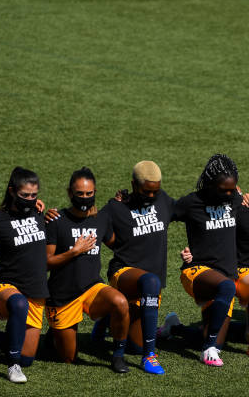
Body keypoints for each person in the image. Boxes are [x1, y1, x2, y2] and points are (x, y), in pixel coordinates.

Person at [178, 170, 249, 360]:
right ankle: (179, 329)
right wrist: (194, 252)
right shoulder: (241, 207)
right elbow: (217, 232)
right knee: (216, 340)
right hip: (236, 271)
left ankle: (177, 327)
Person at [44, 167, 131, 373]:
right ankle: (51, 334)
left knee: (120, 302)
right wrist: (74, 252)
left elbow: (119, 244)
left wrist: (126, 209)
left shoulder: (100, 219)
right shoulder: (56, 220)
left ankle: (118, 356)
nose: (85, 198)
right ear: (69, 193)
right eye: (80, 194)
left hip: (92, 288)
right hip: (62, 296)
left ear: (95, 193)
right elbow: (46, 262)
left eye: (89, 194)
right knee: (68, 357)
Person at [93, 161, 176, 375]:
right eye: (146, 191)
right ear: (133, 184)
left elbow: (196, 211)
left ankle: (108, 317)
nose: (151, 196)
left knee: (134, 345)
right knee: (151, 281)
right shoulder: (116, 207)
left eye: (155, 191)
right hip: (124, 274)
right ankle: (149, 356)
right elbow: (91, 225)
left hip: (148, 291)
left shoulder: (164, 201)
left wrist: (238, 200)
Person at [0, 167, 49, 383]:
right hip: (5, 287)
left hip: (35, 290)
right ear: (11, 191)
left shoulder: (39, 215)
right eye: (24, 195)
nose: (30, 200)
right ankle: (12, 365)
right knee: (19, 304)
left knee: (28, 357)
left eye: (33, 195)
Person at [170, 154, 239, 367]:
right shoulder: (192, 203)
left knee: (216, 337)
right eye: (223, 190)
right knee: (227, 288)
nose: (229, 194)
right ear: (210, 185)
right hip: (197, 272)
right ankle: (207, 350)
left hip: (225, 275)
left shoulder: (236, 200)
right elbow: (163, 213)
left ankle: (174, 328)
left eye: (232, 189)